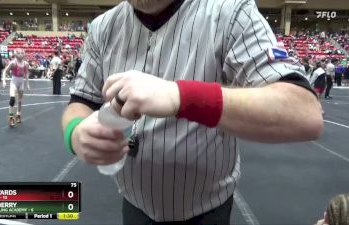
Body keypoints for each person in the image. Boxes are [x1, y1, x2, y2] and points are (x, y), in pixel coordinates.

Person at [61, 0, 323, 224]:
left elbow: (304, 112)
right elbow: (79, 102)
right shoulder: (104, 26)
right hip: (134, 205)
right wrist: (76, 133)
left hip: (205, 212)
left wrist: (181, 96)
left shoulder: (230, 11)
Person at [2, 48, 30, 127]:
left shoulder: (26, 63)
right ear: (15, 54)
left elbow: (27, 73)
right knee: (12, 99)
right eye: (19, 53)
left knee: (20, 101)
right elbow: (5, 71)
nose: (20, 55)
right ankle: (11, 117)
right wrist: (4, 81)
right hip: (14, 81)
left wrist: (27, 83)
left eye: (22, 53)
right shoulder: (13, 63)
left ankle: (18, 114)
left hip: (21, 82)